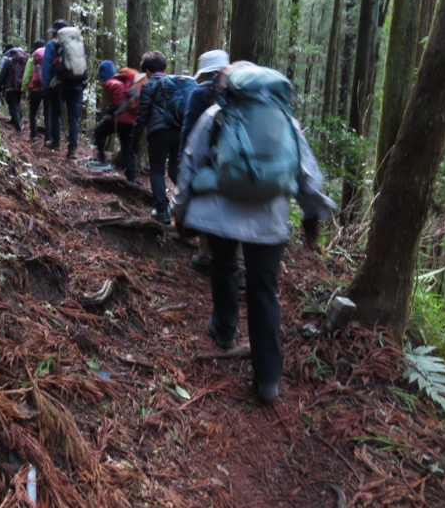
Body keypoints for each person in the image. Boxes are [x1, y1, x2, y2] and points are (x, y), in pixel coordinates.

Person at [170, 61, 336, 402]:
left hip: (220, 214)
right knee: (264, 290)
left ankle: (225, 328)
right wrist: (312, 212)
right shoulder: (285, 120)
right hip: (269, 220)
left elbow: (191, 161)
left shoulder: (216, 115)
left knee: (224, 267)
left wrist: (179, 210)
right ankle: (268, 378)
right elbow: (307, 171)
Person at [181, 49, 231, 276]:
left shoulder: (199, 93)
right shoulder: (243, 92)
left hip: (209, 160)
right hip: (238, 161)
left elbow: (189, 130)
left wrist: (184, 159)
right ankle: (238, 267)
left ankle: (205, 257)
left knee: (207, 200)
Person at [130, 50, 179, 224]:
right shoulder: (176, 84)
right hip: (179, 132)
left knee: (157, 170)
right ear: (164, 68)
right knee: (175, 170)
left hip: (159, 132)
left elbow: (142, 115)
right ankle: (187, 207)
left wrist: (133, 139)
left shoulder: (149, 85)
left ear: (148, 71)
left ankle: (163, 212)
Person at [41, 19, 86, 159]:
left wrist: (46, 86)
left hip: (59, 85)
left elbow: (47, 67)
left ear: (56, 32)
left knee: (56, 113)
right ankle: (72, 149)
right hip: (78, 84)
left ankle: (56, 143)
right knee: (74, 118)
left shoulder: (52, 45)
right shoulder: (78, 43)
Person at [94, 60, 140, 183]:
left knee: (98, 132)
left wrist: (112, 109)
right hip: (131, 120)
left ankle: (102, 159)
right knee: (128, 148)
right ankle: (132, 178)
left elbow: (118, 94)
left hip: (119, 118)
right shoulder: (124, 82)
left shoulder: (111, 82)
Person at [0, 44, 26, 133]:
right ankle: (16, 120)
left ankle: (18, 128)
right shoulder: (23, 62)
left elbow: (2, 76)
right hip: (20, 87)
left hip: (10, 87)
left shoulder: (8, 61)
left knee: (13, 106)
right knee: (16, 104)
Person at [22, 39, 47, 142]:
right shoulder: (49, 56)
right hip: (47, 89)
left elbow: (27, 75)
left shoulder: (32, 58)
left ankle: (33, 136)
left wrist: (24, 89)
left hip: (35, 90)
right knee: (48, 113)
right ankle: (49, 138)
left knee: (33, 113)